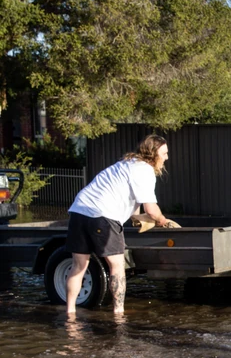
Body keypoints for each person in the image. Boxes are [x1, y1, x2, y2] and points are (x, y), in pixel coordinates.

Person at [66, 134, 171, 315]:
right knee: (117, 265)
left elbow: (134, 207)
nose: (166, 157)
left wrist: (138, 220)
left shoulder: (125, 164)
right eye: (164, 153)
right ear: (153, 154)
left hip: (78, 211)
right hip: (103, 215)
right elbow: (152, 209)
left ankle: (69, 312)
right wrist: (163, 221)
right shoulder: (145, 170)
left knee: (79, 266)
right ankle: (118, 312)